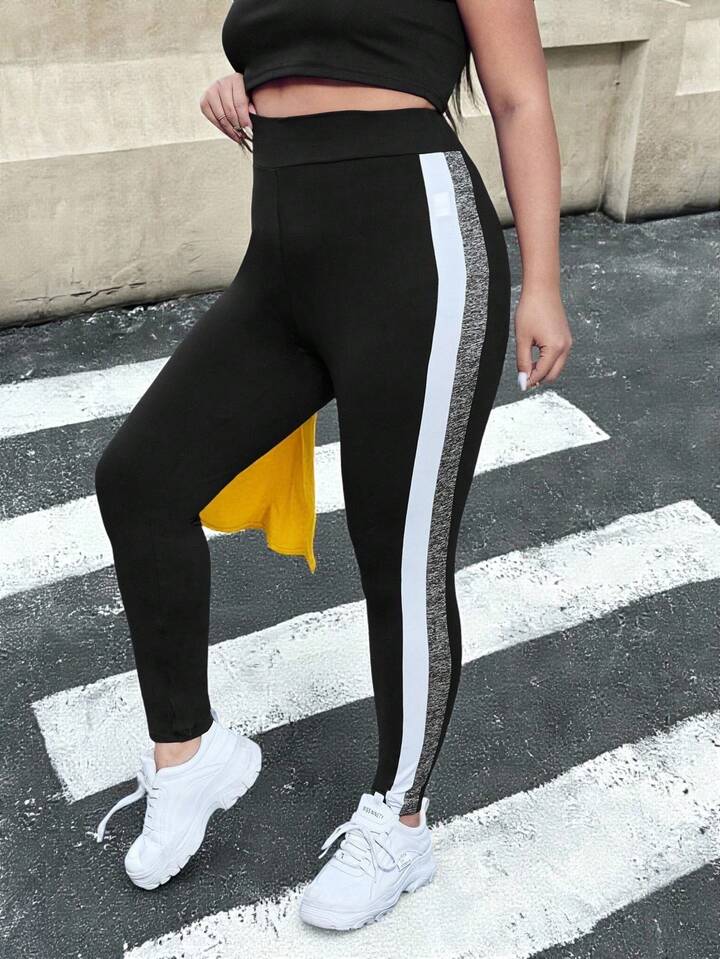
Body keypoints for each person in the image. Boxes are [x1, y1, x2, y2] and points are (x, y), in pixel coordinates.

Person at [93, 0, 572, 931]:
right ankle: (189, 755)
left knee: (400, 552)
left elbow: (519, 98)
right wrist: (250, 84)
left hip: (415, 250)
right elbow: (311, 52)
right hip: (284, 257)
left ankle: (402, 819)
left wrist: (543, 281)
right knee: (141, 480)